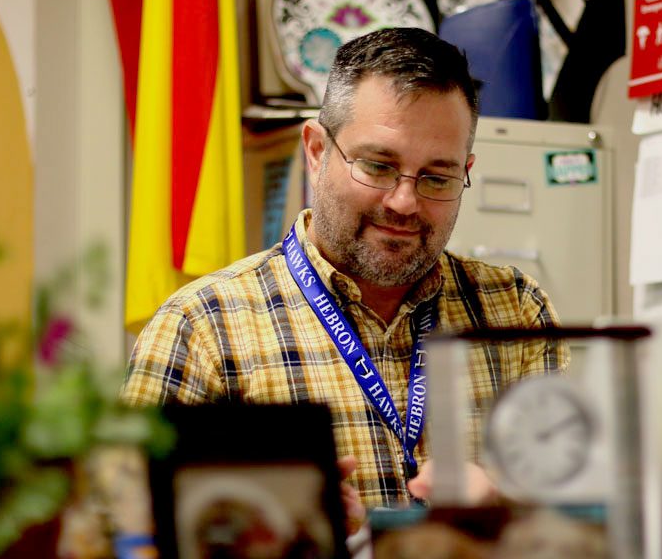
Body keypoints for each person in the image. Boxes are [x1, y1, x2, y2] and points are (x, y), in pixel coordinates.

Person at [122, 28, 568, 513]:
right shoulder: (203, 328)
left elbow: (577, 522)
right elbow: (129, 534)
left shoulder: (516, 310)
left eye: (437, 178)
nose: (404, 202)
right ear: (316, 151)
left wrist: (503, 511)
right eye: (378, 166)